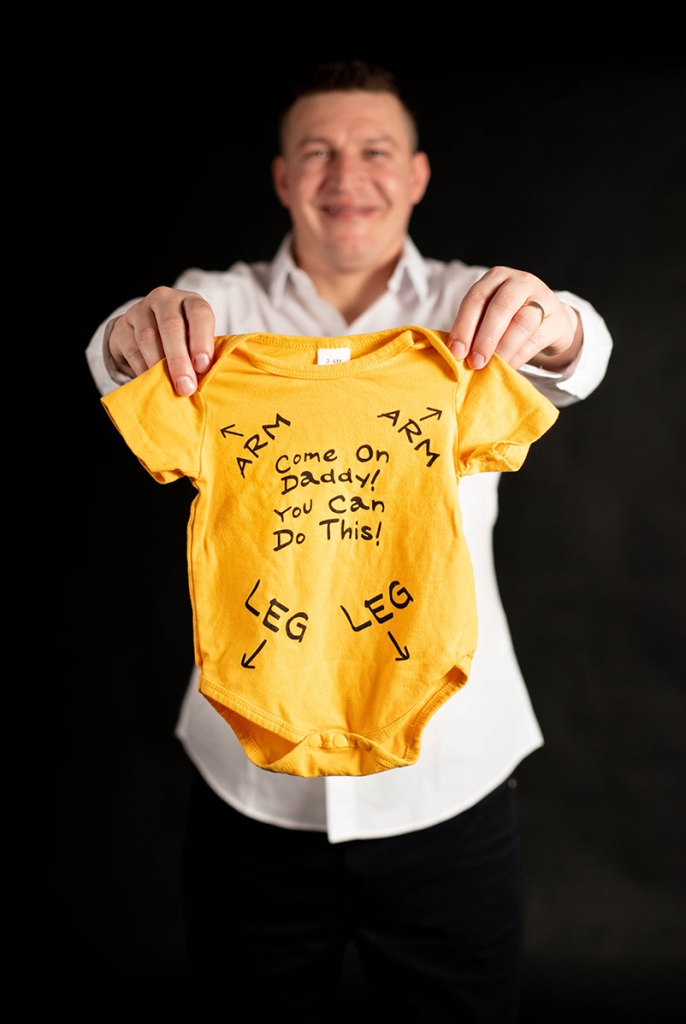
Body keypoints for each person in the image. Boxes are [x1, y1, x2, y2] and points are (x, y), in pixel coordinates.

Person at [87, 61, 612, 1022]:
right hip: (248, 784)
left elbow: (583, 355)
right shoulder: (216, 321)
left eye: (373, 150)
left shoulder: (467, 324)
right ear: (284, 178)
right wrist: (131, 337)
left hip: (450, 775)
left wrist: (554, 320)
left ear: (415, 174)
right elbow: (113, 354)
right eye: (318, 152)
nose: (346, 175)